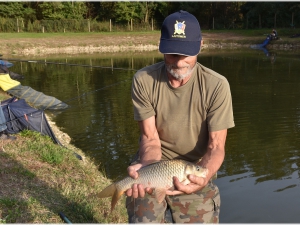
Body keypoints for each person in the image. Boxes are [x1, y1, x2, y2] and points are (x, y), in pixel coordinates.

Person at [125, 10, 235, 223]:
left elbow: (216, 147)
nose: (179, 62)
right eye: (173, 54)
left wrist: (201, 178)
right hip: (154, 164)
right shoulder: (143, 80)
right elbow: (149, 138)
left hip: (195, 166)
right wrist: (148, 171)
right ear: (162, 47)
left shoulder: (217, 85)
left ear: (200, 46)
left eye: (186, 54)